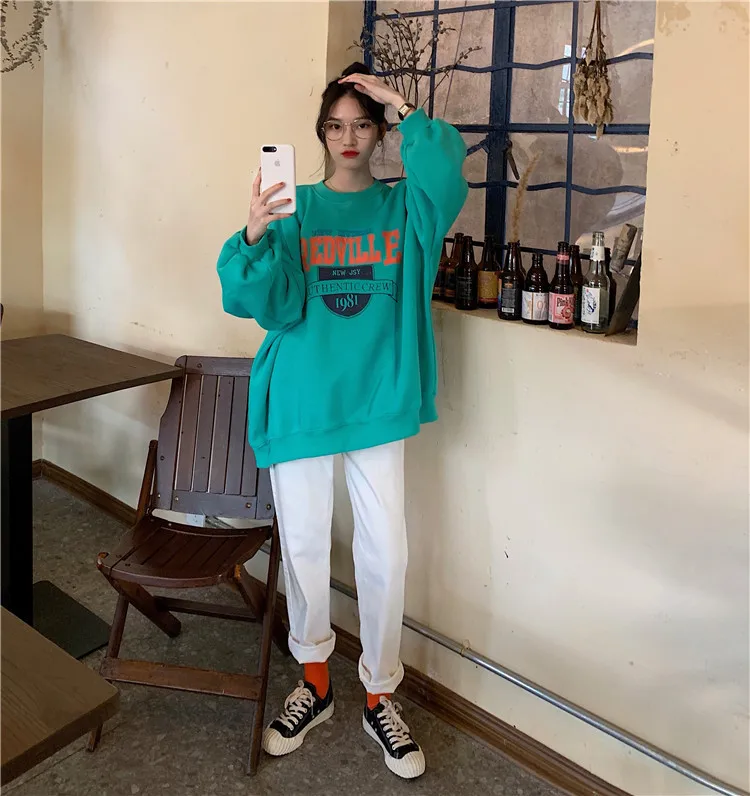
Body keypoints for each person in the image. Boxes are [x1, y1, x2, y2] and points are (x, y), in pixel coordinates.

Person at [217, 62, 467, 779]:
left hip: (378, 398)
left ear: (382, 132)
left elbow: (448, 177)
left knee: (386, 550)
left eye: (363, 124)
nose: (349, 137)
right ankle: (316, 683)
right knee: (301, 545)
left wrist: (399, 101)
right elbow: (266, 305)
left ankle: (380, 693)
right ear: (321, 134)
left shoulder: (407, 206)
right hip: (302, 396)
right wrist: (256, 235)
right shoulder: (297, 209)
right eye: (335, 125)